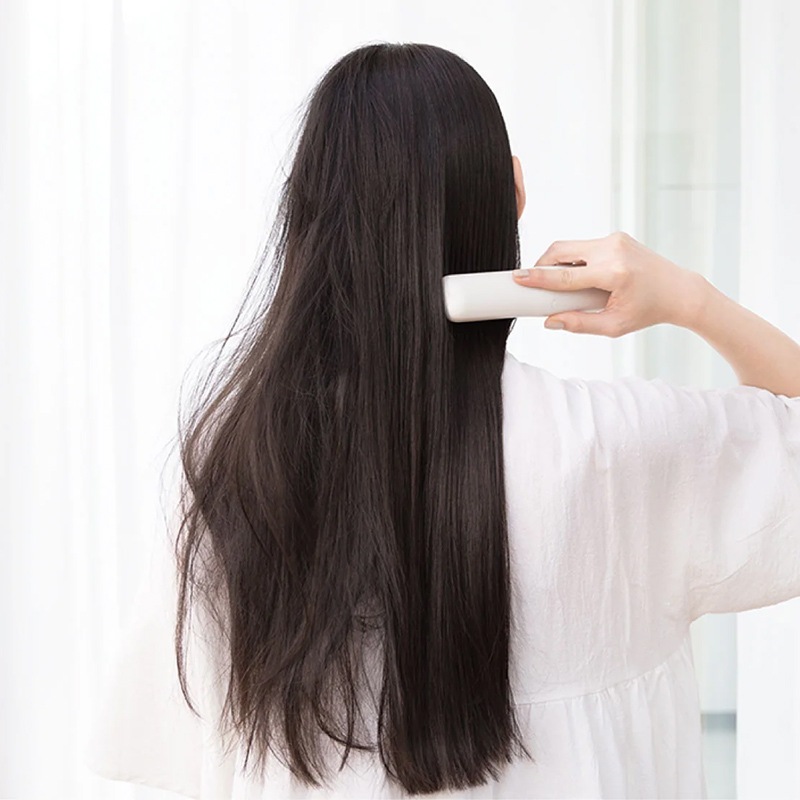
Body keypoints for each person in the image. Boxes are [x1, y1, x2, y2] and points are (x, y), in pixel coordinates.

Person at [84, 42, 800, 799]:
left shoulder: (235, 465)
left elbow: (177, 746)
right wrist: (689, 298)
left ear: (306, 216)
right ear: (512, 193)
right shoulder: (620, 446)